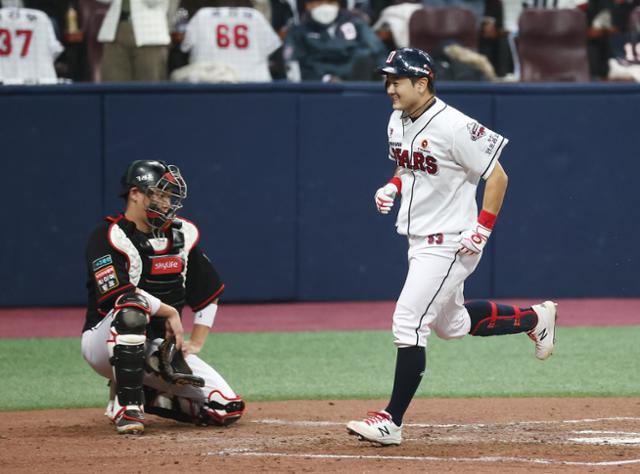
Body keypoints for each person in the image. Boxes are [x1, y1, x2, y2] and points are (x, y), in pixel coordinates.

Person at [346, 48, 557, 446]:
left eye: (397, 80)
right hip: (419, 237)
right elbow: (408, 166)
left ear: (422, 83)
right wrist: (392, 186)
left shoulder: (454, 125)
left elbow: (498, 177)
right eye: (386, 79)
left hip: (451, 240)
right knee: (452, 324)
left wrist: (483, 229)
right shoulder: (397, 121)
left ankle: (391, 421)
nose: (389, 87)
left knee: (409, 322)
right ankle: (535, 319)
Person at [81, 159, 245, 435]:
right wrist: (169, 311)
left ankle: (143, 390)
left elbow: (208, 292)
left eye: (169, 196)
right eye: (159, 194)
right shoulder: (108, 234)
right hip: (103, 341)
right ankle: (128, 407)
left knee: (226, 408)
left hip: (158, 349)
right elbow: (117, 295)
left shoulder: (181, 234)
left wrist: (197, 342)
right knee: (131, 308)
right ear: (135, 193)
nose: (167, 203)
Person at [180, 0, 282, 82]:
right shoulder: (254, 15)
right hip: (252, 80)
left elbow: (183, 45)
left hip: (210, 80)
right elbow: (273, 49)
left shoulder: (201, 14)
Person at [283, 0, 387, 81]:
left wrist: (386, 75)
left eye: (330, 2)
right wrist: (324, 79)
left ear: (337, 4)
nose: (325, 7)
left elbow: (378, 50)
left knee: (365, 60)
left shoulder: (355, 23)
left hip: (356, 82)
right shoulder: (299, 31)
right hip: (317, 86)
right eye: (319, 2)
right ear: (308, 5)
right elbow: (293, 65)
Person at [96, 0, 171, 81]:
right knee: (114, 86)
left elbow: (153, 2)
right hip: (115, 33)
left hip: (150, 36)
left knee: (149, 85)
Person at [0, 5, 63, 83]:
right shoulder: (41, 17)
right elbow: (55, 51)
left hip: (4, 81)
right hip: (38, 83)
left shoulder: (41, 17)